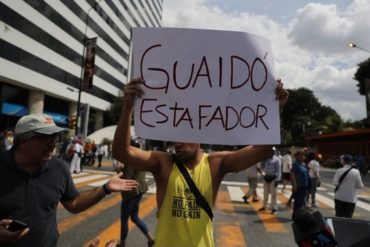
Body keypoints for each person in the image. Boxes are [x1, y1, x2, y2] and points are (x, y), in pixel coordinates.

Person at [112, 78, 289, 247]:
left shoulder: (215, 164)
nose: (177, 144)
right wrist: (128, 108)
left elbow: (262, 150)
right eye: (174, 138)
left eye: (183, 137)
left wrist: (275, 111)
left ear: (199, 136)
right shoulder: (163, 163)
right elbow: (122, 152)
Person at [0, 113, 139, 247]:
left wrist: (105, 188)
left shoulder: (59, 168)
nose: (54, 144)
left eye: (56, 137)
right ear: (23, 142)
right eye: (46, 138)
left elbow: (74, 203)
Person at [118, 140, 154, 247]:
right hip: (140, 190)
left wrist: (119, 170)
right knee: (134, 217)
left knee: (124, 220)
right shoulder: (141, 157)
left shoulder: (130, 159)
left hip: (131, 193)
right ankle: (150, 239)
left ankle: (122, 243)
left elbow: (126, 178)